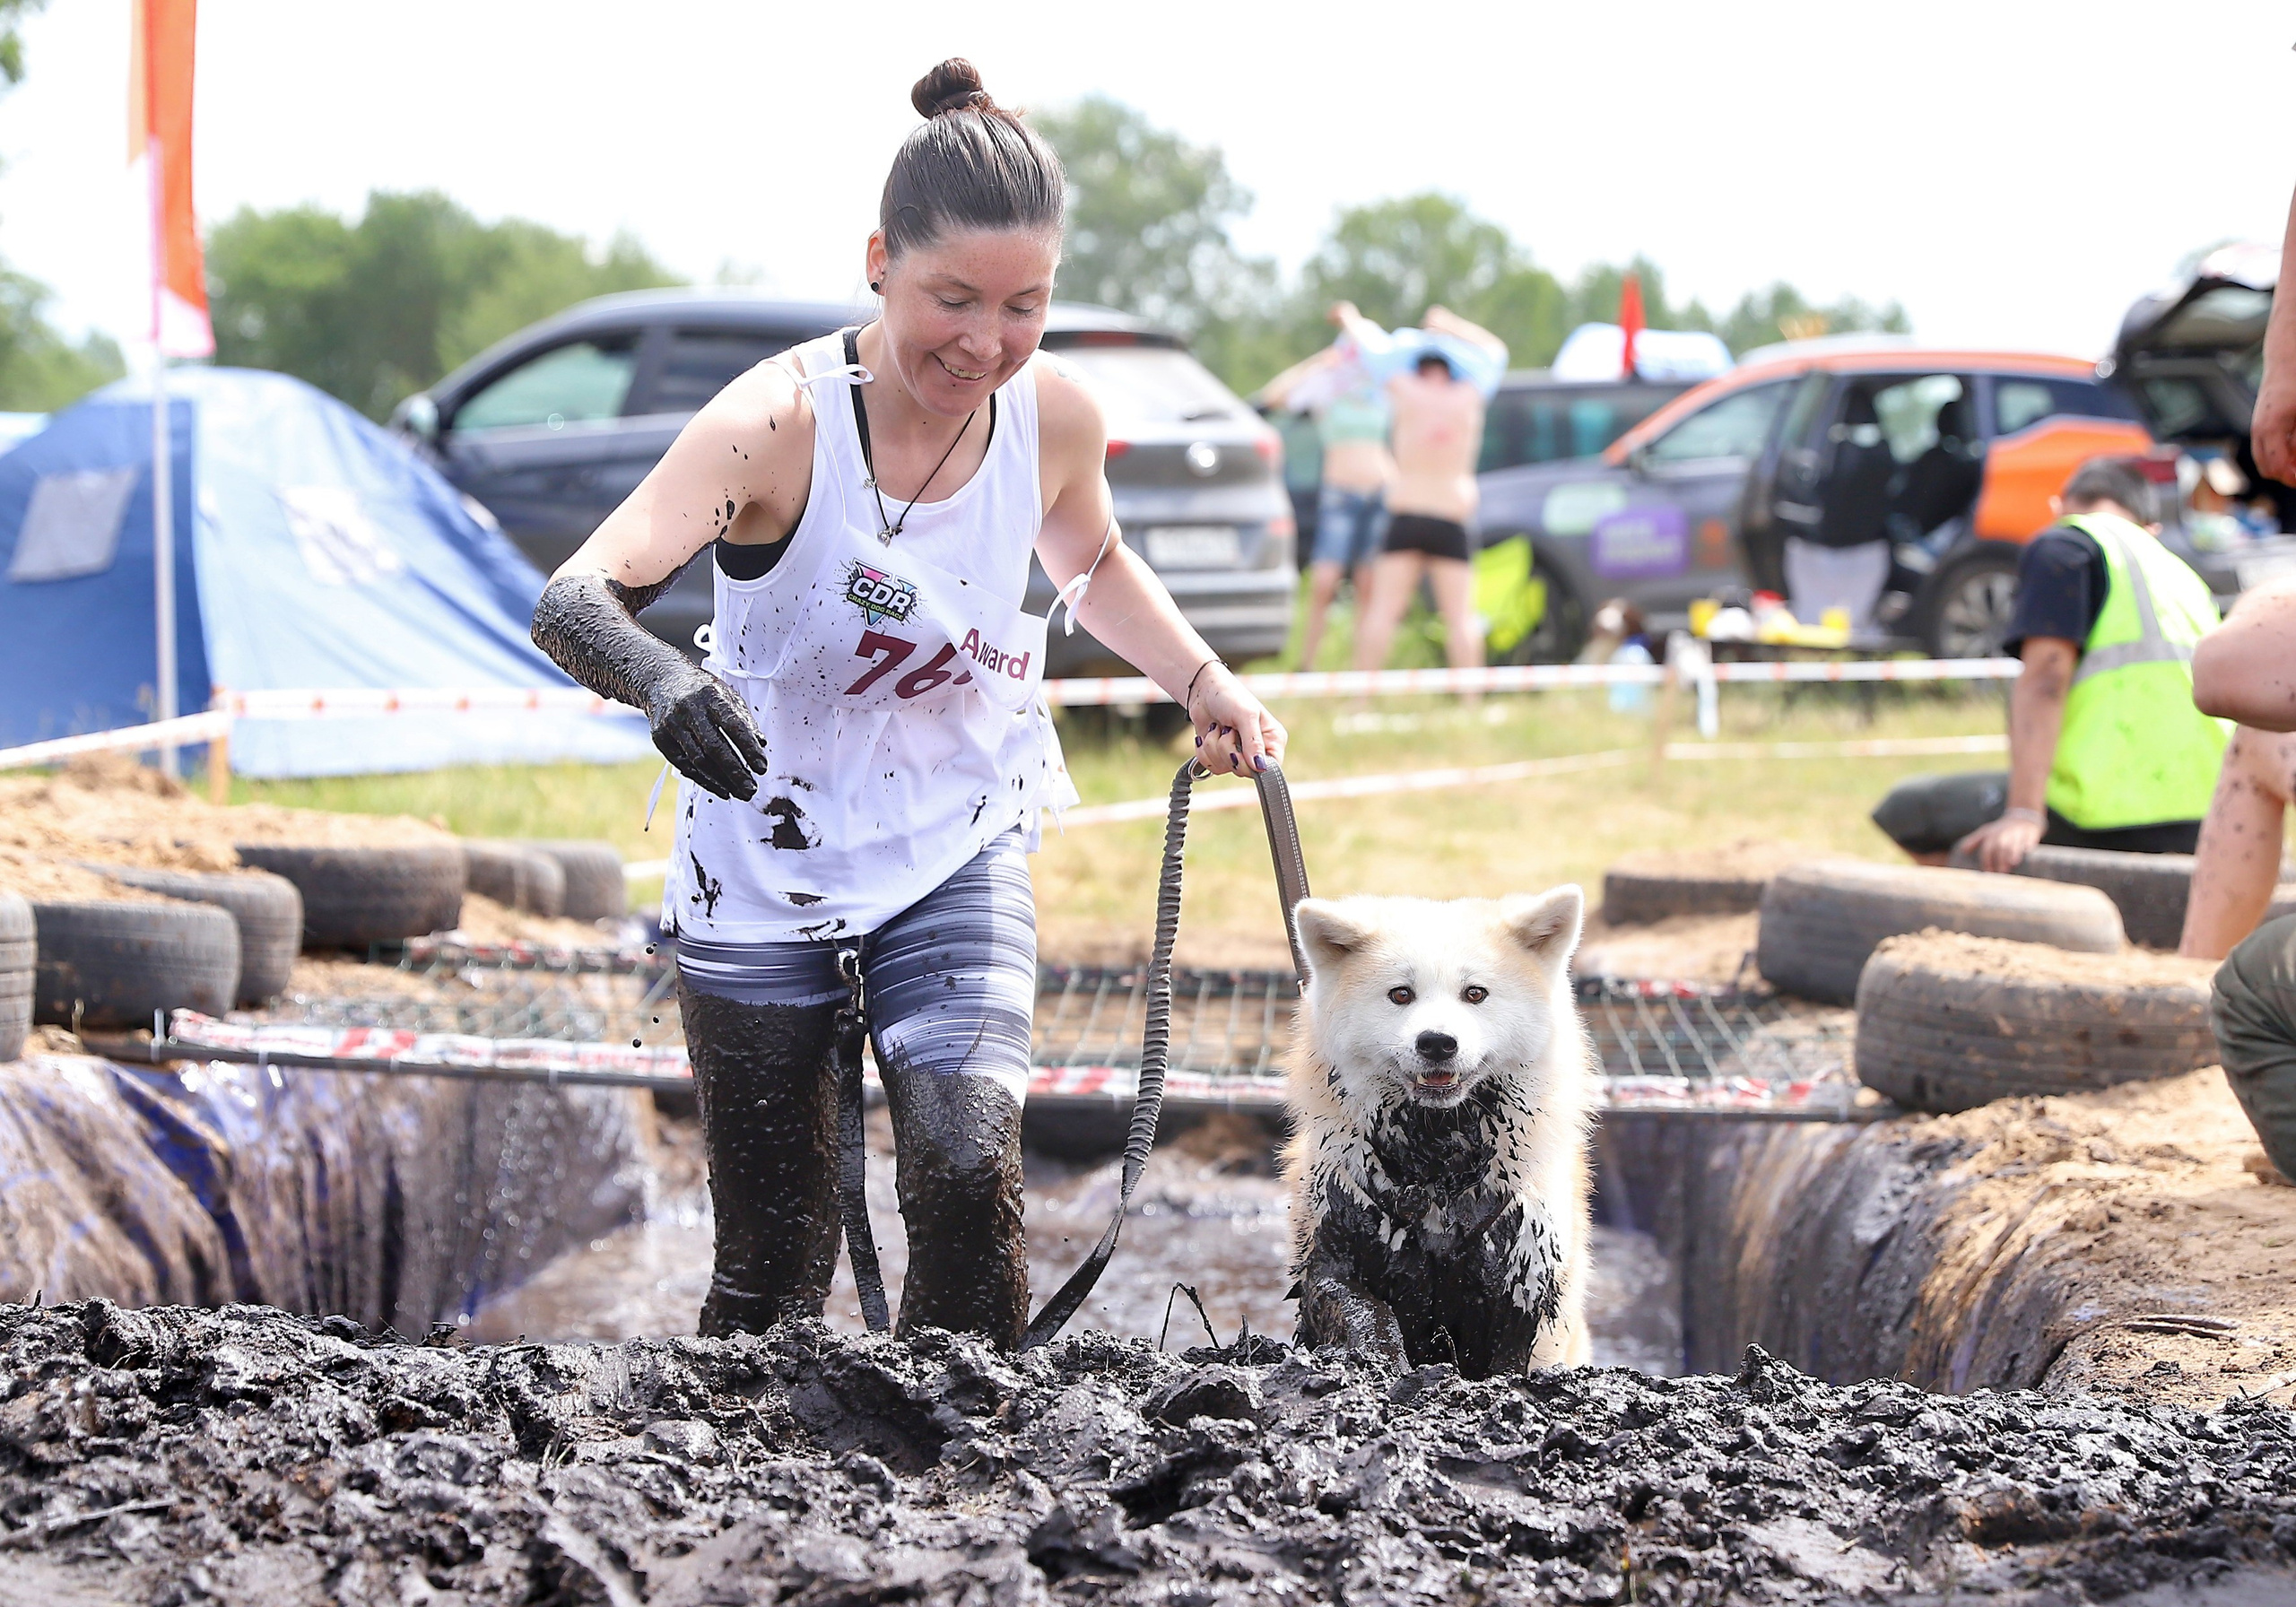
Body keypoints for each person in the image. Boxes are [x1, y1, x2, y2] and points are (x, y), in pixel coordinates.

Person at [529, 59, 1286, 1348]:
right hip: (764, 857)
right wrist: (663, 681)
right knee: (774, 1263)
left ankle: (972, 1485)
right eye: (951, 300)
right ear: (879, 261)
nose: (984, 343)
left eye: (1024, 306)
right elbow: (574, 599)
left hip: (956, 837)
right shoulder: (776, 423)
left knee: (961, 1163)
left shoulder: (1051, 418)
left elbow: (1091, 563)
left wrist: (1203, 678)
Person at [1871, 457, 2227, 869]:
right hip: (2203, 818)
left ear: (2060, 508)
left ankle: (1989, 915)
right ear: (2152, 529)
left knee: (1908, 810)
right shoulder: (2186, 577)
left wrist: (2023, 813)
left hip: (2100, 814)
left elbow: (2046, 679)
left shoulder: (2066, 545)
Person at [1330, 303, 1509, 675]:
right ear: (1451, 371)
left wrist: (1349, 318)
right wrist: (1451, 325)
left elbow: (1370, 344)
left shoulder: (1404, 389)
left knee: (1383, 612)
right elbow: (1496, 351)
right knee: (1461, 618)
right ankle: (1471, 700)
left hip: (1407, 512)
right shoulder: (1469, 395)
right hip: (1451, 514)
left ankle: (1360, 700)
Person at [1257, 342, 1393, 671]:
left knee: (1368, 585)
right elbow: (1272, 398)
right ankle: (1308, 665)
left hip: (1380, 491)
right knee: (1324, 582)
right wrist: (1318, 361)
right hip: (1340, 493)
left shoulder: (1381, 381)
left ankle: (1365, 673)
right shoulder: (1327, 384)